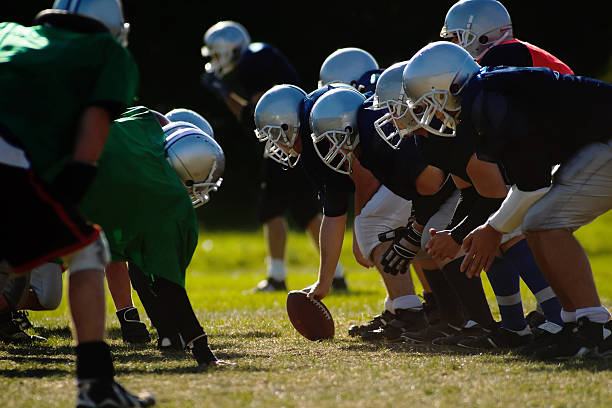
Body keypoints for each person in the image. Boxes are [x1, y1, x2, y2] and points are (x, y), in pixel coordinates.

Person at [399, 41, 612, 359]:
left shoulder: (489, 101)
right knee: (536, 221)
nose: (429, 113)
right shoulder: (481, 101)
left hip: (604, 139)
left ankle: (595, 327)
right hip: (595, 143)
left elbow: (533, 184)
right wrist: (491, 227)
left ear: (454, 84)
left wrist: (493, 229)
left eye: (431, 102)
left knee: (547, 221)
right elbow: (527, 183)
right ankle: (576, 324)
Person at [0, 1, 155, 406]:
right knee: (89, 249)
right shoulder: (107, 54)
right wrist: (71, 187)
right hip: (11, 163)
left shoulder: (7, 32)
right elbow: (94, 125)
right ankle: (96, 385)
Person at [77, 106, 229, 368]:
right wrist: (203, 349)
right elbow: (165, 281)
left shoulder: (144, 120)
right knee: (45, 288)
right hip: (52, 178)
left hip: (46, 154)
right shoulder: (155, 193)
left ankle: (169, 335)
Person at [200, 21, 346, 292]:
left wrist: (224, 93)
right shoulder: (258, 57)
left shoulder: (255, 60)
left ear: (233, 49)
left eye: (219, 54)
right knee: (305, 211)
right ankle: (336, 275)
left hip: (286, 141)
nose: (217, 62)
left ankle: (277, 276)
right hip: (294, 138)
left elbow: (250, 117)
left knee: (271, 209)